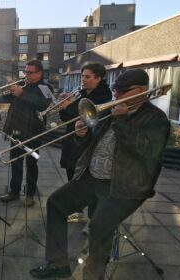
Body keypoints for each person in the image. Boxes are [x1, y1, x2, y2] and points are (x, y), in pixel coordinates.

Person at [29, 69, 170, 279]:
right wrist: (81, 135)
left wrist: (121, 121)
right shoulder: (111, 110)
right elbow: (92, 143)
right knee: (55, 203)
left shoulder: (156, 118)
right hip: (92, 178)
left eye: (123, 91)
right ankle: (58, 263)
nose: (117, 96)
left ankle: (93, 276)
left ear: (141, 90)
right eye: (116, 90)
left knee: (99, 227)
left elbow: (147, 151)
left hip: (124, 187)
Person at [58, 62, 112, 224]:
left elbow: (88, 116)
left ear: (99, 78)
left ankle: (93, 218)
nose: (83, 79)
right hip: (72, 140)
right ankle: (76, 211)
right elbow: (67, 118)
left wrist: (68, 106)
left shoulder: (104, 96)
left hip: (88, 143)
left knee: (89, 181)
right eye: (82, 76)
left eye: (87, 77)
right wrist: (64, 106)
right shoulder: (81, 93)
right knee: (72, 178)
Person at [0, 60, 52, 207]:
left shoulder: (45, 87)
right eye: (25, 72)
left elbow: (44, 105)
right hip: (16, 129)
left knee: (32, 163)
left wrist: (22, 94)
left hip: (33, 132)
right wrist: (9, 92)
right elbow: (7, 99)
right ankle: (14, 192)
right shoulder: (24, 85)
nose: (26, 75)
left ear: (39, 73)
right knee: (15, 162)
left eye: (29, 72)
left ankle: (29, 194)